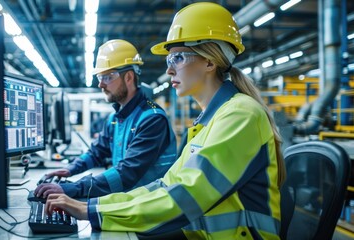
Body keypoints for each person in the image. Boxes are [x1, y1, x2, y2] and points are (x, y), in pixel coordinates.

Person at [44, 3, 286, 239]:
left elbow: (185, 196)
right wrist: (92, 205)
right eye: (169, 61)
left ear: (210, 62)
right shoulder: (206, 123)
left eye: (177, 58)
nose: (169, 70)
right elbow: (163, 186)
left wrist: (88, 208)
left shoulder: (240, 115)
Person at [34, 39, 177, 199]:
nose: (101, 84)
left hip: (150, 207)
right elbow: (97, 152)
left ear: (129, 77)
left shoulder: (152, 119)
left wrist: (75, 188)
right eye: (99, 78)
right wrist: (70, 169)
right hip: (129, 201)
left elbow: (127, 172)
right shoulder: (115, 118)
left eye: (107, 77)